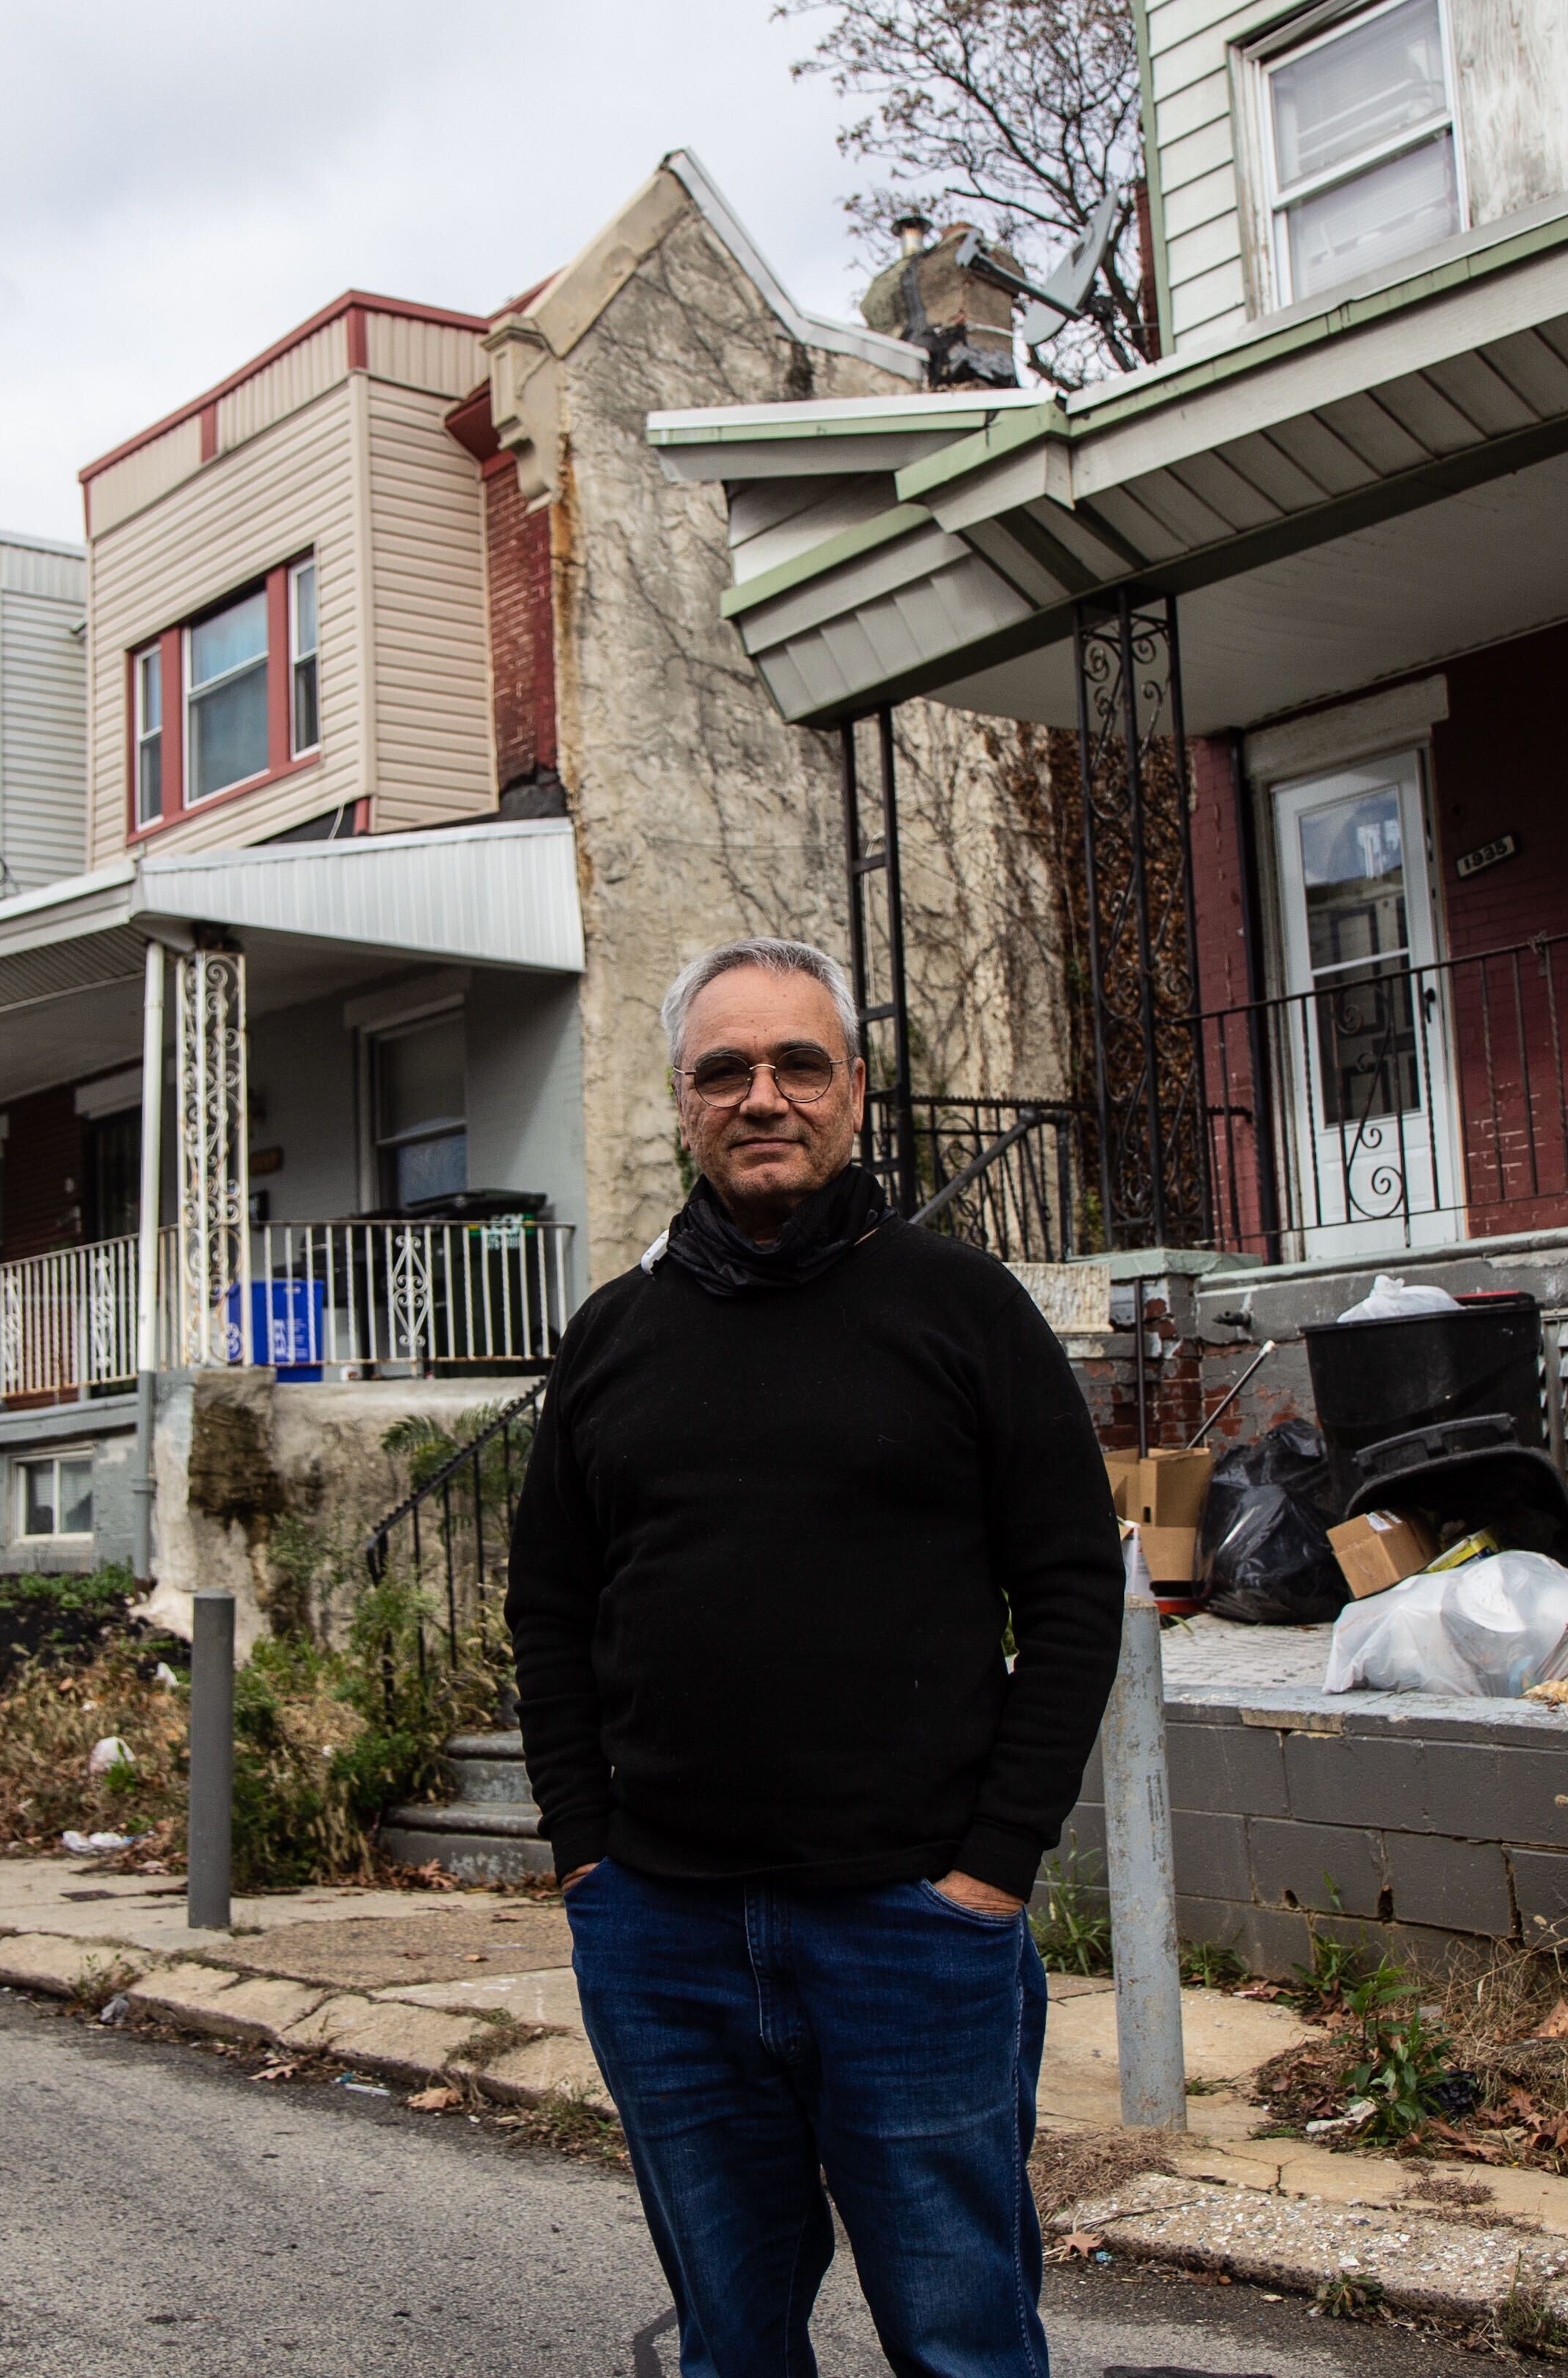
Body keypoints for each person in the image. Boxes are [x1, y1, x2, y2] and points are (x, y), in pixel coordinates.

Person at [508, 938, 1121, 2378]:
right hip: (660, 1935)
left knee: (960, 2340)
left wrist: (990, 1872)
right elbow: (547, 1604)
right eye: (724, 1069)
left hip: (910, 1933)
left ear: (852, 1091)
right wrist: (583, 1851)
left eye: (796, 1063)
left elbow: (1072, 1591)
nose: (761, 1094)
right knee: (730, 2342)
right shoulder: (612, 1340)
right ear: (682, 1102)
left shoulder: (962, 1311)